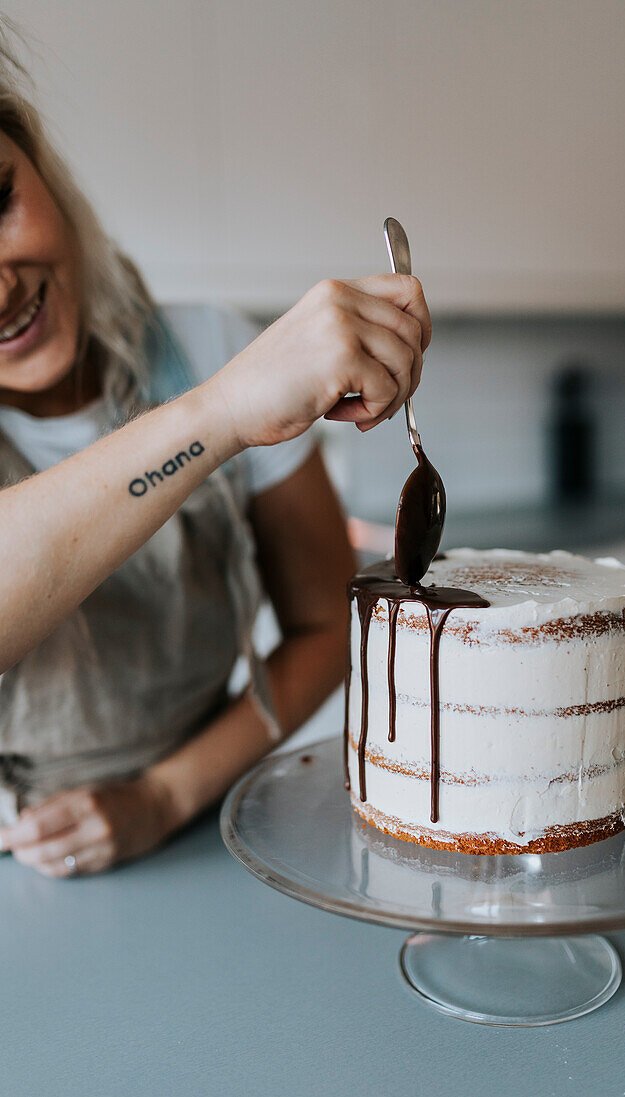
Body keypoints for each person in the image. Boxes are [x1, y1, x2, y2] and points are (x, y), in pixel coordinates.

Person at [0, 33, 430, 876]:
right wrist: (222, 412)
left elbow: (321, 630)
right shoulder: (221, 386)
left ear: (45, 173)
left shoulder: (202, 346)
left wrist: (164, 796)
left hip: (207, 828)